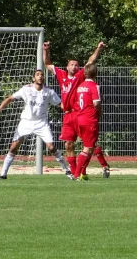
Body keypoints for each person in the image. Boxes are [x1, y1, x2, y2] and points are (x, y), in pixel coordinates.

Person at [43, 41, 110, 180]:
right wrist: (46, 50)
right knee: (68, 144)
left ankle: (93, 168)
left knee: (89, 144)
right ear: (67, 67)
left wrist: (98, 48)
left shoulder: (80, 76)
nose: (74, 67)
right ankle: (76, 173)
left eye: (76, 65)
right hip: (68, 116)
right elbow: (47, 64)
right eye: (71, 65)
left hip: (78, 113)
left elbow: (91, 60)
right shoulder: (61, 75)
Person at [0, 69, 72, 180]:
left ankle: (67, 171)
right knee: (14, 146)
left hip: (41, 123)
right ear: (33, 78)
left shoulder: (49, 91)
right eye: (38, 75)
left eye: (42, 75)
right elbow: (10, 98)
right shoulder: (26, 89)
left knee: (51, 147)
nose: (40, 76)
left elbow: (60, 104)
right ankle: (3, 174)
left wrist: (71, 110)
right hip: (26, 122)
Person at [73, 63, 102, 180]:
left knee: (89, 146)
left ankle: (83, 173)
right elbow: (96, 103)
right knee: (88, 148)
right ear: (95, 73)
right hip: (90, 119)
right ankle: (76, 174)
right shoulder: (94, 86)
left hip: (79, 119)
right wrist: (99, 112)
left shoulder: (80, 86)